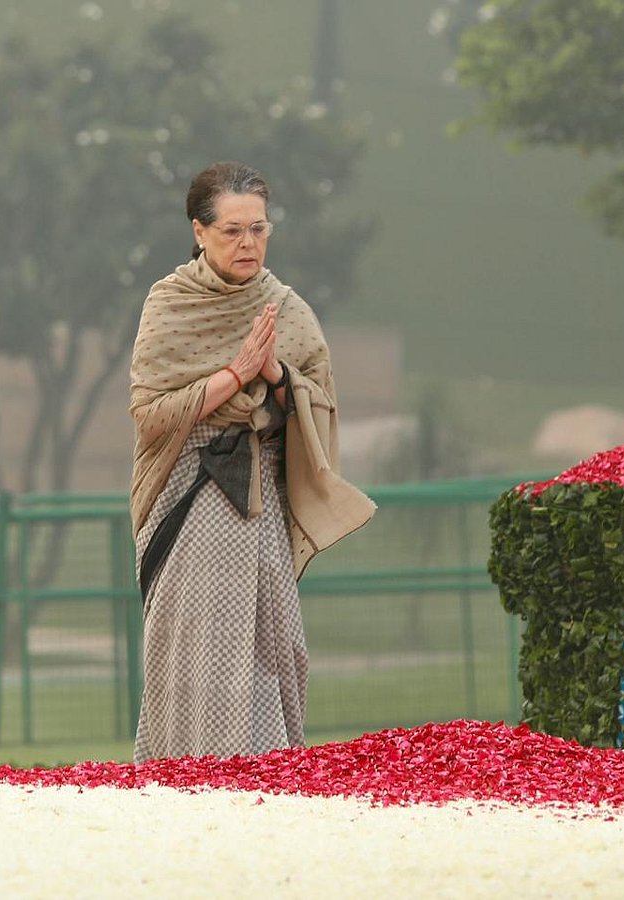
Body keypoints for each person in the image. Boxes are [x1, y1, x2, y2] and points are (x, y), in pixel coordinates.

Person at [129, 160, 375, 762]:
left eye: (259, 229)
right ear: (199, 231)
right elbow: (150, 412)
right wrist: (234, 375)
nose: (249, 243)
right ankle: (186, 768)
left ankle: (268, 769)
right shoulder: (170, 302)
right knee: (200, 639)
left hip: (262, 498)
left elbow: (320, 402)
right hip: (191, 489)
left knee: (273, 640)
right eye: (233, 230)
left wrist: (277, 376)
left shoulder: (285, 308)